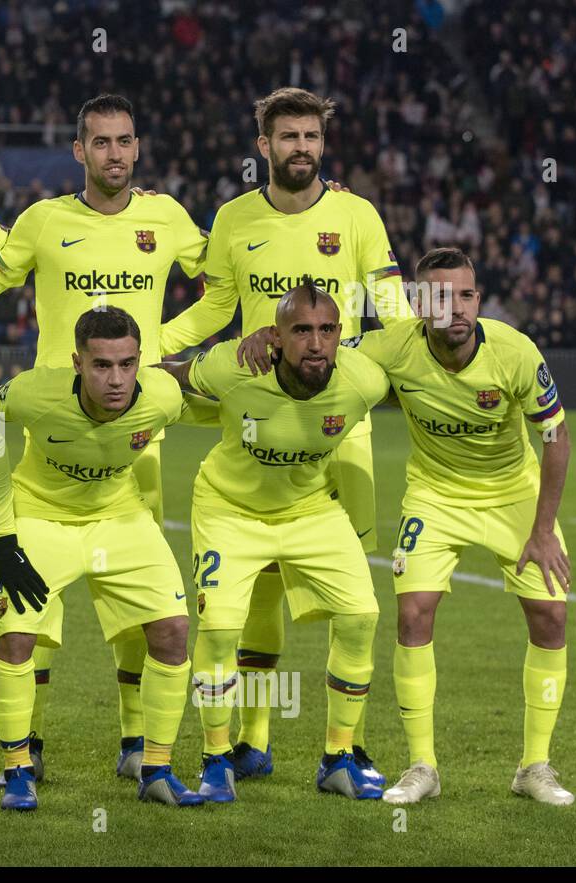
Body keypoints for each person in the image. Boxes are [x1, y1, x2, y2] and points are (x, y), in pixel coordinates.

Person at [240, 248, 572, 805]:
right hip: (434, 495)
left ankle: (534, 767)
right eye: (441, 296)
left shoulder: (515, 352)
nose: (456, 308)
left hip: (513, 493)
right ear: (419, 304)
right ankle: (423, 766)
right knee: (413, 613)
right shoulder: (390, 347)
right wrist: (265, 336)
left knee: (551, 613)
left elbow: (556, 439)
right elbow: (319, 349)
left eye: (466, 295)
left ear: (478, 300)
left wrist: (542, 531)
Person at [159, 87, 414, 783]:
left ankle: (344, 744)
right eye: (288, 137)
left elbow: (390, 306)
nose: (301, 147)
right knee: (260, 585)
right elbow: (215, 304)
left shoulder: (357, 215)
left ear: (322, 143)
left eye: (311, 136)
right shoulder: (234, 218)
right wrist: (149, 347)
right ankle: (253, 739)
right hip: (263, 409)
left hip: (339, 427)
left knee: (350, 599)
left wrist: (400, 353)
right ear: (263, 146)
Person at [0, 93, 210, 781]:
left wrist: (167, 344)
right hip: (56, 419)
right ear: (79, 151)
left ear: (138, 148)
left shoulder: (166, 217)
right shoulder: (44, 221)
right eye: (100, 142)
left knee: (137, 604)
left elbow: (223, 281)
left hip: (136, 427)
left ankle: (137, 741)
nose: (114, 153)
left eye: (125, 141)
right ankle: (30, 742)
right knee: (35, 602)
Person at [160, 279, 390, 801]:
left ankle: (338, 757)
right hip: (229, 509)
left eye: (327, 330)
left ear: (340, 335)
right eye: (301, 331)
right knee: (218, 630)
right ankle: (216, 760)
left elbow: (416, 360)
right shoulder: (234, 367)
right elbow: (165, 378)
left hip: (310, 509)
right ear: (276, 336)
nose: (315, 343)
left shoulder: (364, 381)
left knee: (361, 615)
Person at [0, 306, 201, 811]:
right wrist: (3, 534)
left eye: (126, 364)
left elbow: (213, 408)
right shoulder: (37, 390)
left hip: (121, 517)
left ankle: (157, 768)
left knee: (172, 630)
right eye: (102, 365)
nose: (116, 378)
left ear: (141, 361)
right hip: (41, 516)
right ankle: (17, 769)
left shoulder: (162, 396)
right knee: (16, 637)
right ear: (78, 363)